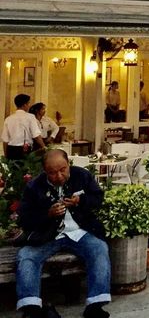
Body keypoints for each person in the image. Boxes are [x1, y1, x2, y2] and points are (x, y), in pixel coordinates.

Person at [15, 148, 111, 318]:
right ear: (45, 171)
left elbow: (98, 199)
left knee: (99, 249)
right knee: (26, 255)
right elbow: (25, 218)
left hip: (80, 231)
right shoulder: (34, 187)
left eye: (63, 170)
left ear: (69, 164)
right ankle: (31, 308)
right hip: (48, 236)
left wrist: (81, 201)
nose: (59, 176)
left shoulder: (82, 176)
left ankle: (95, 306)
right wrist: (48, 214)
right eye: (52, 173)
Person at [2, 94, 45, 160]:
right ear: (24, 105)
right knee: (25, 169)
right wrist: (43, 147)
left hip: (11, 150)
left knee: (13, 169)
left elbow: (5, 140)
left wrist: (6, 155)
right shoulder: (30, 117)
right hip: (25, 150)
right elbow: (36, 136)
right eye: (28, 103)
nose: (29, 106)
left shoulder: (8, 119)